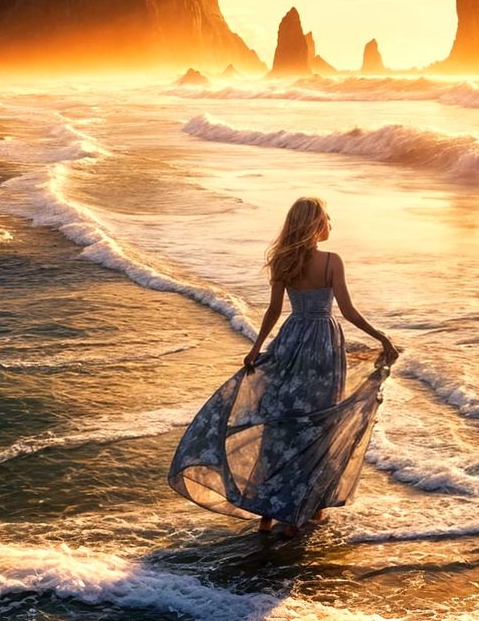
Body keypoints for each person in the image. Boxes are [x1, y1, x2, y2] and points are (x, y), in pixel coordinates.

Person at [168, 196, 400, 538]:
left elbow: (274, 311)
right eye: (327, 218)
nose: (330, 223)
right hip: (323, 346)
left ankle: (267, 513)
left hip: (290, 342)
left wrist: (257, 348)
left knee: (279, 425)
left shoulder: (283, 260)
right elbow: (348, 312)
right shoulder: (332, 261)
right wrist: (382, 338)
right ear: (316, 223)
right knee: (317, 425)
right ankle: (302, 512)